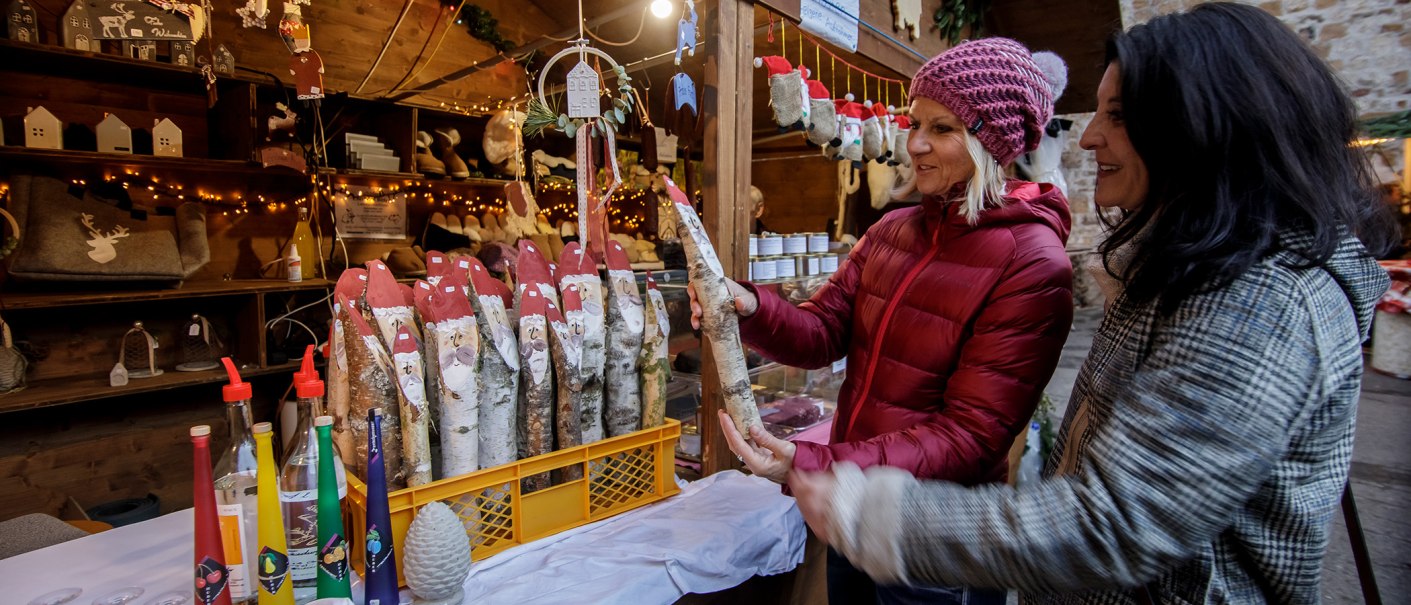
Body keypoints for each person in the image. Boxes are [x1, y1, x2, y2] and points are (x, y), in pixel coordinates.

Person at [785, 4, 1399, 603]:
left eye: (1120, 116)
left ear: (1207, 127)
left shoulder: (1261, 303)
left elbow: (1119, 521)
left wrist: (870, 511)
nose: (1090, 136)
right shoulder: (1194, 269)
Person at [693, 37, 1075, 604]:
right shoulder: (893, 232)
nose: (913, 144)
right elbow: (822, 332)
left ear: (991, 142)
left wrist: (818, 462)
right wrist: (750, 306)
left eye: (942, 129)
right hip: (854, 516)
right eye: (913, 121)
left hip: (935, 540)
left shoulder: (1032, 262)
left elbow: (969, 436)